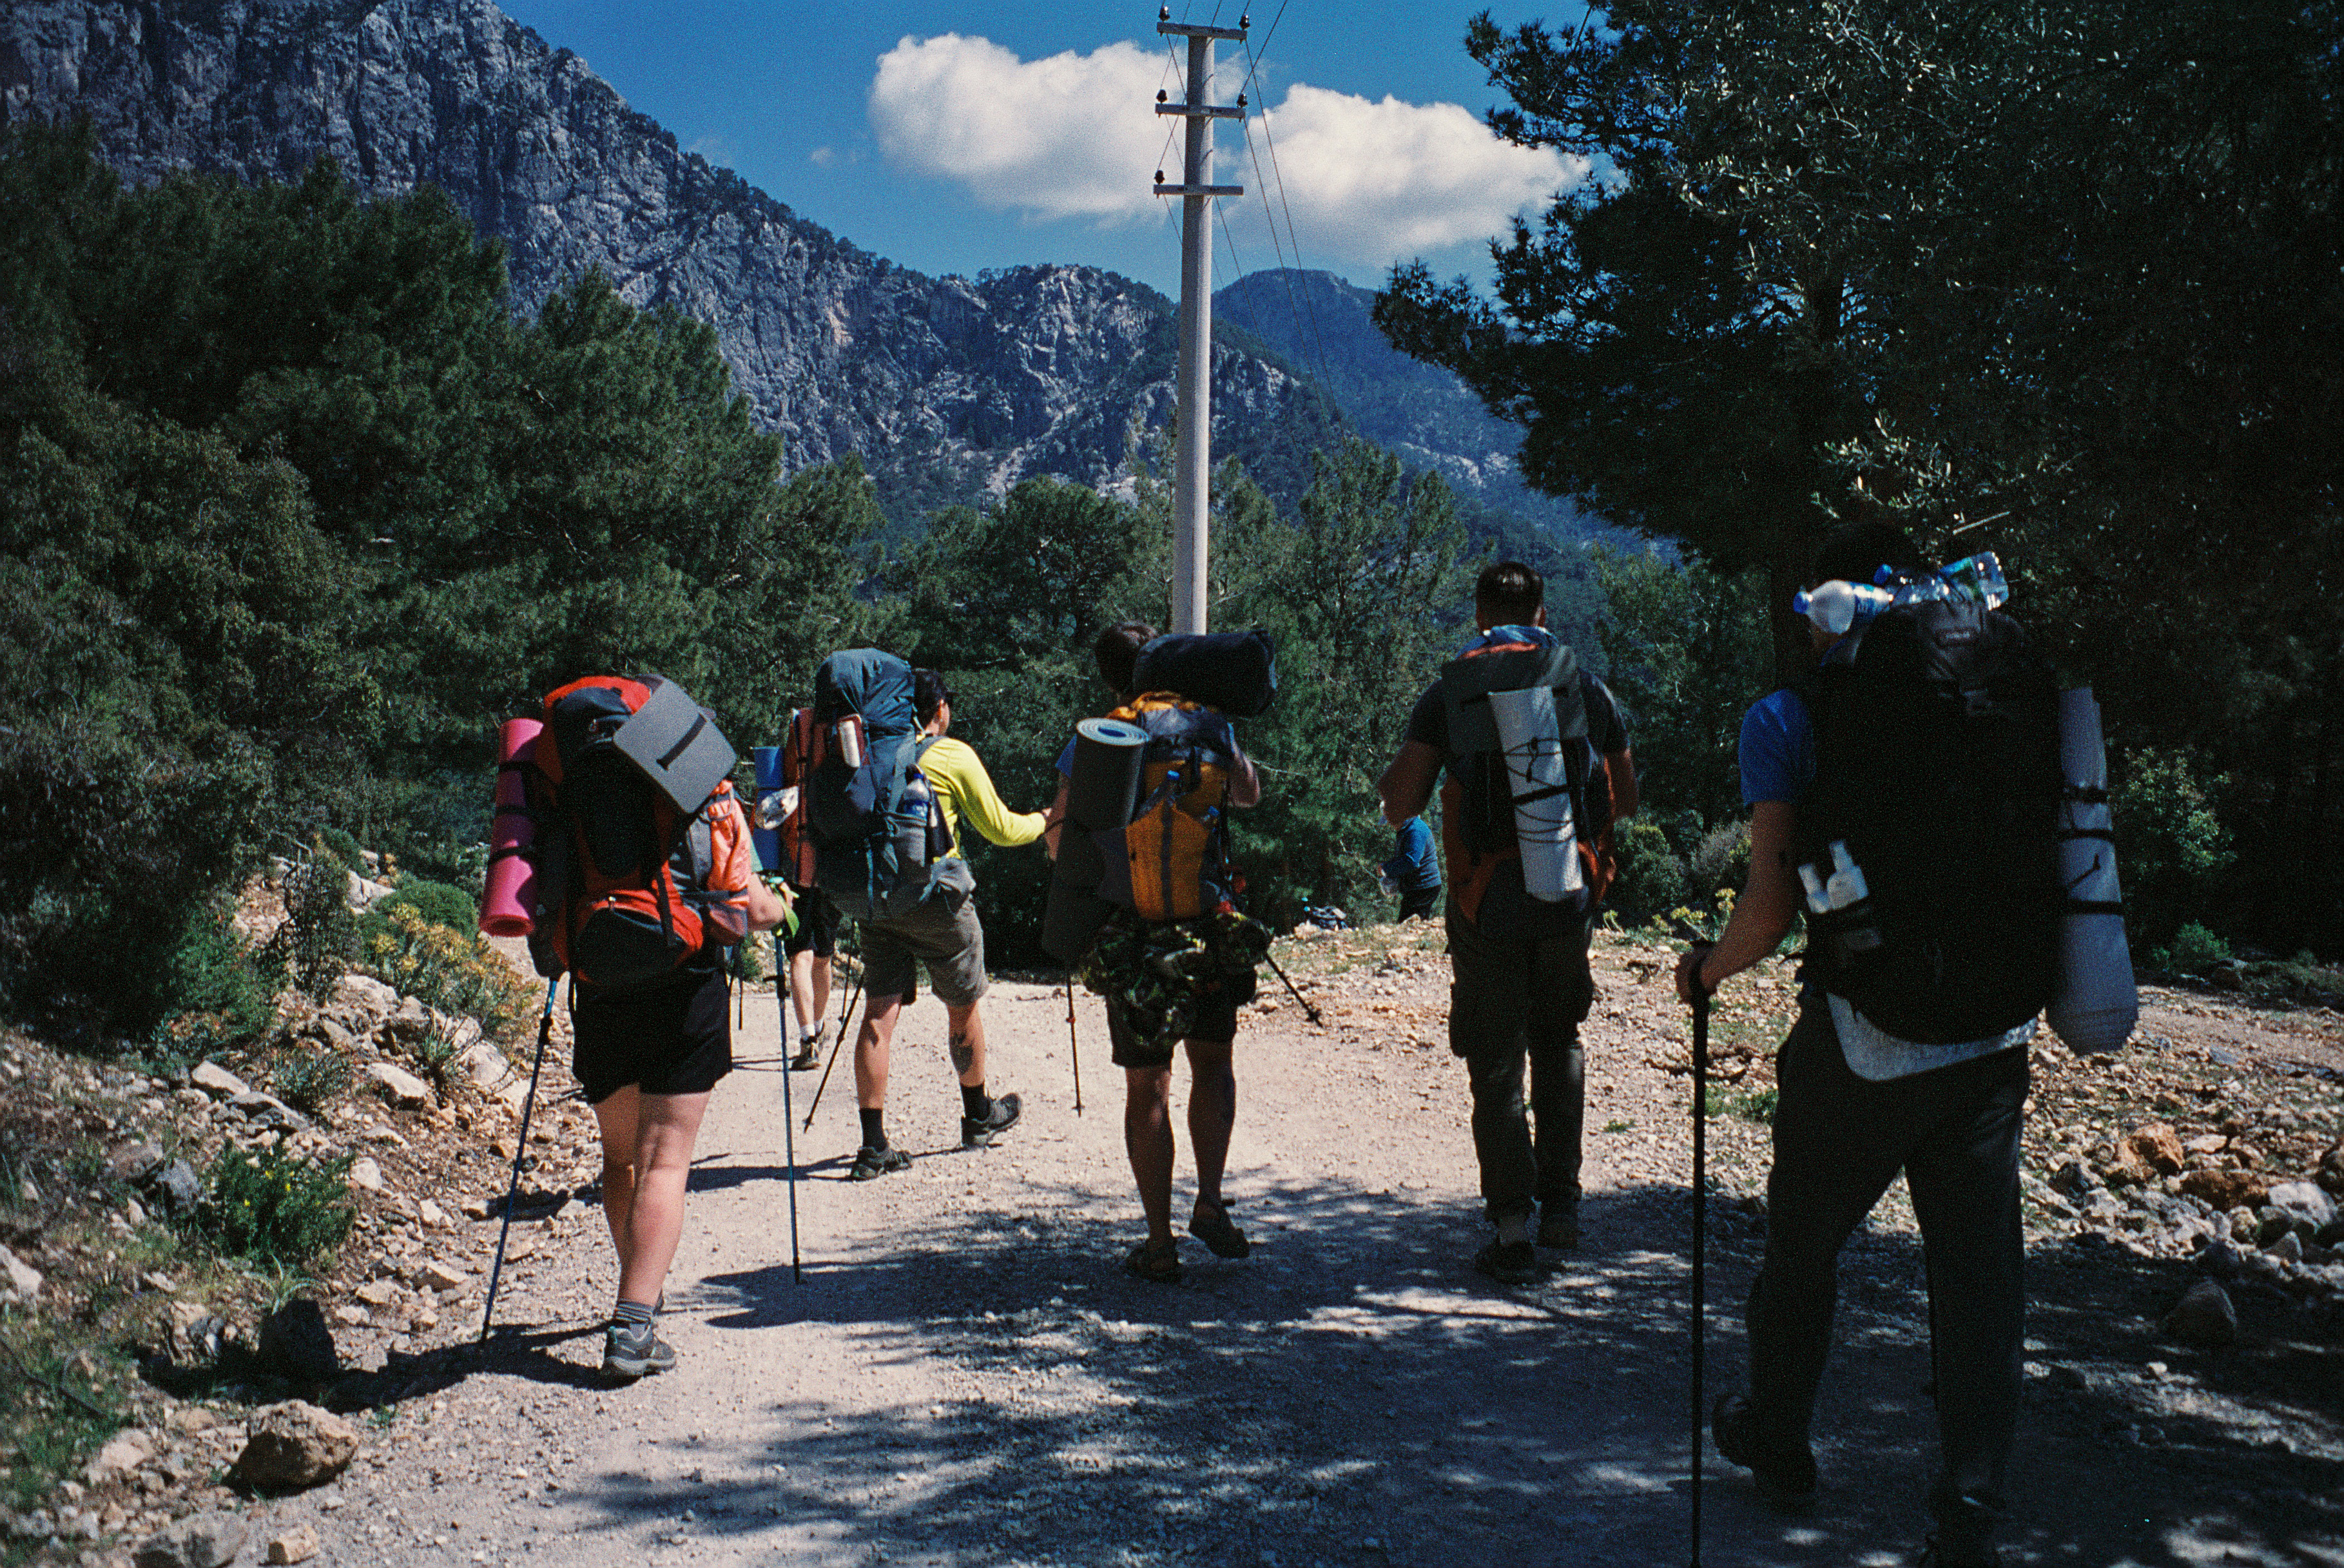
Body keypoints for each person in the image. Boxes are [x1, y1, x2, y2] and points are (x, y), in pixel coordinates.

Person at [1678, 521, 2037, 1568]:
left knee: (1802, 1247)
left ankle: (1779, 1438)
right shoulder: (1991, 689)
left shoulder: (1786, 717)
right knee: (1978, 1283)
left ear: (1816, 612)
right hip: (1992, 1030)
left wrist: (1706, 971)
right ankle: (1967, 1516)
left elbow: (1771, 902)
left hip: (1864, 1031)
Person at [1377, 561, 1636, 1282]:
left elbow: (1399, 804)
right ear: (1544, 615)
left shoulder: (1450, 693)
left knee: (1495, 1059)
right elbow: (1629, 798)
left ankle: (1513, 1226)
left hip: (1484, 899)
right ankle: (1563, 1207)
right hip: (1568, 892)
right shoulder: (1585, 688)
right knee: (1560, 1039)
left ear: (1481, 617)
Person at [1047, 621, 1265, 1282]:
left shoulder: (1102, 735)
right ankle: (1209, 1203)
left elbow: (1060, 838)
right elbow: (1249, 796)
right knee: (1214, 1068)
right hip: (1205, 930)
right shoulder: (1211, 726)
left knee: (1147, 1084)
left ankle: (1158, 1240)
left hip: (1135, 934)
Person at [569, 780, 788, 1381]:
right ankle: (633, 1324)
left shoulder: (579, 790)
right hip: (684, 987)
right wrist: (787, 907)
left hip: (600, 982)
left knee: (620, 1160)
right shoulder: (707, 792)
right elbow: (751, 906)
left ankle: (639, 1288)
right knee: (664, 1161)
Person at [848, 670, 1046, 1180]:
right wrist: (1047, 818)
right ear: (938, 709)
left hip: (877, 898)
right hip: (937, 901)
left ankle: (873, 1147)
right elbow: (1002, 829)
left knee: (878, 1014)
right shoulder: (950, 753)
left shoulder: (871, 754)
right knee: (963, 1007)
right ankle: (978, 1116)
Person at [780, 878, 837, 1070]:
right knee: (822, 958)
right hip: (829, 877)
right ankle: (817, 1030)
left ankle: (809, 1040)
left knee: (801, 957)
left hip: (795, 876)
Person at [1380, 815, 1442, 921]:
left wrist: (1386, 869)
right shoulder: (1407, 829)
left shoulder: (1416, 830)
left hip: (1423, 886)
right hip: (1417, 887)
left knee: (1408, 923)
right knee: (1411, 922)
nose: (1390, 824)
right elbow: (1404, 857)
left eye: (1391, 820)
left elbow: (1411, 862)